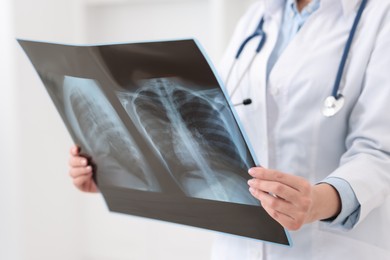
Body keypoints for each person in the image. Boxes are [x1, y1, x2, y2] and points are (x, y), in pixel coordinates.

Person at [69, 0, 390, 259]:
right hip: (238, 248)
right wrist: (117, 168)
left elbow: (379, 152)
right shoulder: (257, 18)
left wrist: (319, 201)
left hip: (328, 249)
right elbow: (216, 137)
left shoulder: (379, 15)